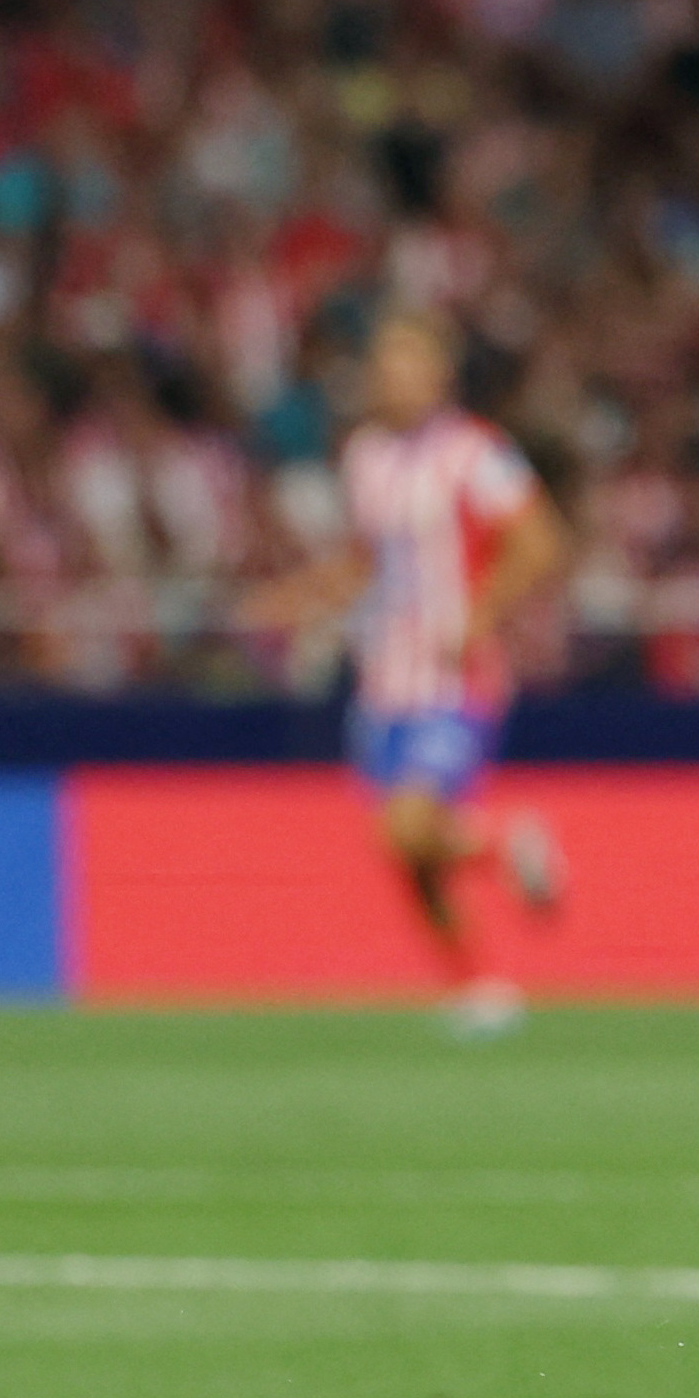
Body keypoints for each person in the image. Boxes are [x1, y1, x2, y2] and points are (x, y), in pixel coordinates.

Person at [250, 310, 566, 1035]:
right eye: (383, 366)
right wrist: (300, 599)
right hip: (382, 682)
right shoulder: (366, 457)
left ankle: (509, 840)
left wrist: (482, 616)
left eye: (406, 364)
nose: (391, 379)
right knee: (411, 859)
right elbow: (366, 564)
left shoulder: (477, 453)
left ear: (439, 374)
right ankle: (478, 988)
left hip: (453, 679)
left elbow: (539, 541)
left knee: (407, 827)